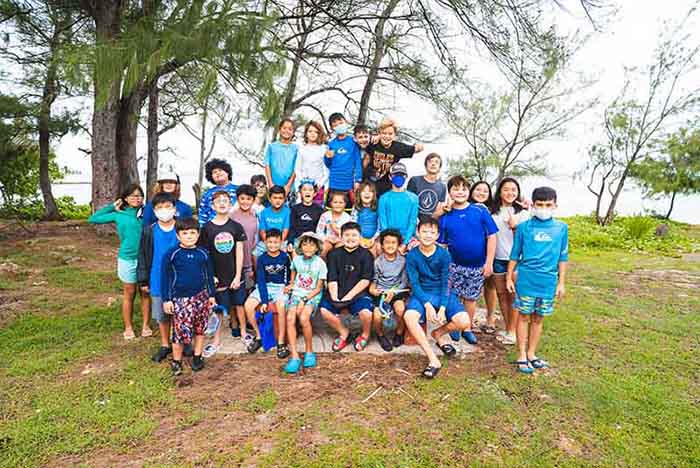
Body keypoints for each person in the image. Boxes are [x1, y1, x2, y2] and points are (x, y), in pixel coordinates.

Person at [507, 187, 568, 374]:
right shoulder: (524, 227)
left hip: (548, 282)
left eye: (548, 205)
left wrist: (561, 283)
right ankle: (521, 355)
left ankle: (532, 354)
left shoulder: (561, 228)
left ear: (555, 205)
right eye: (539, 205)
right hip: (526, 279)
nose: (543, 208)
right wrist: (509, 276)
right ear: (533, 205)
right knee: (523, 316)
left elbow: (563, 257)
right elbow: (515, 253)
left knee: (538, 318)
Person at [405, 217, 469, 379]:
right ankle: (432, 359)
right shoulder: (412, 255)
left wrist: (442, 308)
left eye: (432, 232)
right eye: (424, 231)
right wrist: (426, 305)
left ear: (437, 235)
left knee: (463, 321)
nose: (427, 235)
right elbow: (414, 283)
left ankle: (438, 334)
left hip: (442, 292)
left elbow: (446, 282)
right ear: (418, 233)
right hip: (422, 293)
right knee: (409, 317)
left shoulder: (444, 254)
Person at [438, 175, 498, 345]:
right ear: (449, 192)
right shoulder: (446, 216)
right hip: (454, 265)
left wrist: (489, 262)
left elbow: (492, 236)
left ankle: (467, 327)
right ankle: (456, 325)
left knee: (470, 298)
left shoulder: (479, 211)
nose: (460, 192)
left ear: (468, 191)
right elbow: (442, 244)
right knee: (454, 297)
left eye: (463, 189)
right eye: (455, 189)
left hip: (477, 266)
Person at [88, 183, 148, 340]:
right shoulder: (119, 214)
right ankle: (128, 327)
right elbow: (93, 218)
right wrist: (112, 206)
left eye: (140, 195)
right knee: (129, 292)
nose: (137, 198)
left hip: (145, 258)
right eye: (133, 195)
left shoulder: (146, 213)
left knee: (145, 292)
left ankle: (145, 325)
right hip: (127, 258)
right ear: (126, 198)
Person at [161, 217, 217, 376]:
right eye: (185, 233)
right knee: (179, 332)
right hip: (180, 299)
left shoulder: (203, 253)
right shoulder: (172, 254)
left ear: (198, 235)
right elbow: (165, 278)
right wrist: (166, 299)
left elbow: (208, 275)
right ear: (178, 236)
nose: (189, 236)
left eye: (193, 233)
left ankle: (197, 356)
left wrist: (211, 295)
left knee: (200, 328)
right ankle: (177, 361)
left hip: (201, 297)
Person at [198, 191, 247, 357]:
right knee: (219, 309)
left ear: (230, 204)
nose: (222, 203)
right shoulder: (206, 228)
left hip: (234, 274)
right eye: (218, 201)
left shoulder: (236, 227)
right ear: (212, 205)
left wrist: (238, 276)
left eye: (225, 200)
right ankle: (216, 340)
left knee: (239, 304)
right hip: (216, 277)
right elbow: (204, 254)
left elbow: (240, 252)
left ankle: (243, 333)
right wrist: (210, 275)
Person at [137, 192, 180, 362]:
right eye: (160, 207)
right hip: (157, 278)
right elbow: (142, 256)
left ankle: (182, 341)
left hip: (180, 279)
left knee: (181, 312)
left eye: (168, 207)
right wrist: (143, 279)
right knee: (162, 315)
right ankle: (164, 344)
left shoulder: (182, 228)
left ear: (174, 209)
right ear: (154, 211)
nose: (164, 210)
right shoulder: (149, 231)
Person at [486, 177, 530, 344]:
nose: (510, 192)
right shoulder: (493, 212)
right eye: (506, 189)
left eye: (513, 189)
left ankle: (513, 332)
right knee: (502, 295)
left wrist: (515, 227)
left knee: (513, 296)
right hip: (498, 258)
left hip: (517, 260)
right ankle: (508, 328)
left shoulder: (523, 213)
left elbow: (526, 239)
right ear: (500, 191)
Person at [319, 222, 374, 352]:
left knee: (366, 313)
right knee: (324, 311)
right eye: (347, 235)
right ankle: (344, 333)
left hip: (357, 293)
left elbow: (365, 280)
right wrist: (335, 297)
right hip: (337, 291)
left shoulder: (366, 255)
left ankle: (365, 335)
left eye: (354, 235)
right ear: (341, 237)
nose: (350, 238)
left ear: (360, 237)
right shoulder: (333, 254)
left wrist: (349, 297)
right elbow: (332, 277)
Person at [283, 232, 327, 373]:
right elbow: (293, 278)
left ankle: (309, 351)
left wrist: (304, 300)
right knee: (290, 318)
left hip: (311, 295)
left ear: (317, 248)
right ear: (300, 246)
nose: (308, 247)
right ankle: (294, 355)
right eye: (305, 244)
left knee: (303, 317)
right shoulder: (296, 260)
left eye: (312, 244)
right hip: (297, 293)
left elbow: (319, 287)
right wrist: (290, 285)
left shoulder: (320, 263)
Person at [244, 229, 292, 358]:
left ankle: (281, 342)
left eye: (276, 242)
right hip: (264, 286)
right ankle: (259, 336)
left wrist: (288, 286)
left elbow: (289, 275)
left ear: (281, 242)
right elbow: (261, 280)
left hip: (280, 287)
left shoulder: (285, 257)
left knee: (281, 306)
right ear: (265, 242)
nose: (273, 245)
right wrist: (264, 301)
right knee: (248, 305)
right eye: (269, 242)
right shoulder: (262, 259)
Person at [370, 229, 409, 352]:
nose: (390, 245)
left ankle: (399, 333)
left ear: (398, 245)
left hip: (397, 291)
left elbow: (404, 282)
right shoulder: (378, 262)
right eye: (387, 242)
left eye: (393, 243)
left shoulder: (403, 260)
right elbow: (375, 281)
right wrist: (373, 290)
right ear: (382, 245)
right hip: (382, 292)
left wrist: (394, 292)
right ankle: (380, 335)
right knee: (377, 316)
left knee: (401, 310)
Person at [365, 118, 424, 196]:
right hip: (370, 186)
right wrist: (374, 137)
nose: (387, 136)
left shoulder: (398, 147)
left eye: (390, 134)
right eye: (384, 133)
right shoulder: (373, 143)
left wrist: (418, 146)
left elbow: (419, 148)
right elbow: (359, 140)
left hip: (386, 188)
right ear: (379, 133)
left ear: (394, 135)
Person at [377, 162, 419, 255]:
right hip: (389, 238)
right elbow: (383, 223)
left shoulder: (413, 198)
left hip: (407, 238)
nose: (399, 177)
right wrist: (390, 242)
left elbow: (412, 222)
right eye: (396, 174)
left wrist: (404, 244)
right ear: (390, 177)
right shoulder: (384, 198)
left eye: (402, 174)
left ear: (406, 177)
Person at [324, 112, 362, 204]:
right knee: (332, 211)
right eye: (335, 125)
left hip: (349, 184)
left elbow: (357, 162)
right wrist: (327, 157)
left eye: (341, 123)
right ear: (332, 129)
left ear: (346, 123)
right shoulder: (331, 144)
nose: (339, 126)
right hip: (334, 183)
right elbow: (328, 164)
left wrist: (358, 180)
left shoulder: (353, 142)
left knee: (347, 212)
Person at [230, 183, 259, 295]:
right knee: (235, 293)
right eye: (242, 198)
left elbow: (255, 240)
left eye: (249, 199)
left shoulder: (256, 216)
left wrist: (253, 263)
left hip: (249, 263)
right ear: (237, 199)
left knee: (249, 291)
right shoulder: (231, 216)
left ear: (253, 200)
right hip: (234, 263)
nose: (245, 201)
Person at [294, 121, 328, 205]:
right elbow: (297, 169)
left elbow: (327, 171)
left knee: (317, 212)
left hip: (318, 187)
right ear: (306, 133)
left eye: (316, 132)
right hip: (304, 187)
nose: (313, 134)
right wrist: (303, 182)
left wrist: (319, 184)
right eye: (310, 131)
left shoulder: (324, 149)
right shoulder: (302, 149)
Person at [198, 158, 238, 226]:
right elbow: (202, 215)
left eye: (220, 170)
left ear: (227, 172)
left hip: (235, 228)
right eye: (214, 172)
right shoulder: (207, 194)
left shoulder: (239, 190)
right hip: (212, 230)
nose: (218, 173)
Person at [265, 118, 298, 196]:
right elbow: (267, 165)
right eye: (284, 128)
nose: (286, 131)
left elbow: (296, 168)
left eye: (290, 129)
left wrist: (288, 186)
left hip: (289, 188)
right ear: (279, 130)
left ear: (293, 132)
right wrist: (270, 184)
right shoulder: (272, 147)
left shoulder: (296, 149)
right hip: (274, 186)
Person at [407, 153, 447, 218]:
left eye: (436, 162)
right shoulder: (415, 180)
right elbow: (408, 202)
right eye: (430, 161)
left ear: (439, 168)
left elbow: (440, 207)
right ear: (425, 165)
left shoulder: (442, 187)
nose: (433, 164)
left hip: (430, 223)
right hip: (414, 220)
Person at [254, 185, 290, 256]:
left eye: (280, 198)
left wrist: (277, 244)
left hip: (281, 241)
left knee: (286, 252)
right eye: (275, 198)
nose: (277, 200)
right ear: (270, 199)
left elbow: (285, 231)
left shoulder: (287, 212)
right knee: (255, 252)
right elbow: (262, 231)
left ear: (284, 199)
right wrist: (269, 243)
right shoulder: (264, 212)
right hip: (267, 240)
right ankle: (258, 267)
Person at [288, 178, 323, 249]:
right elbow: (292, 227)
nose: (307, 192)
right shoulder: (295, 209)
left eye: (310, 190)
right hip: (298, 240)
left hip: (313, 240)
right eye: (304, 190)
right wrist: (290, 242)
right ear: (300, 192)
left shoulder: (319, 210)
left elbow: (320, 229)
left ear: (315, 193)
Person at [316, 190, 351, 258]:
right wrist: (326, 238)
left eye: (341, 202)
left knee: (340, 248)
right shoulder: (325, 215)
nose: (338, 205)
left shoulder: (347, 218)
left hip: (341, 240)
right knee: (324, 248)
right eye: (335, 202)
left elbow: (349, 233)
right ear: (330, 203)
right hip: (327, 240)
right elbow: (319, 231)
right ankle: (323, 266)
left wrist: (338, 233)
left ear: (345, 204)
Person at [351, 181, 380, 255]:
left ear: (374, 194)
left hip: (374, 239)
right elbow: (353, 224)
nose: (367, 193)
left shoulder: (378, 208)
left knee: (373, 253)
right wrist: (359, 239)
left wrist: (373, 239)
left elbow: (380, 226)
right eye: (364, 191)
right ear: (359, 194)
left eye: (370, 191)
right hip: (358, 238)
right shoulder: (356, 208)